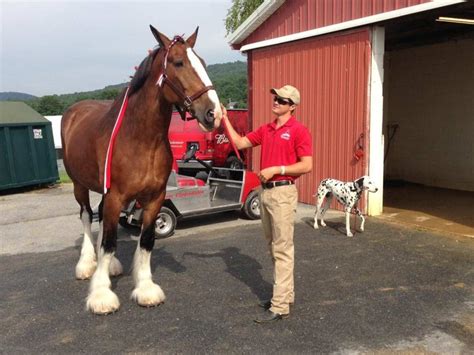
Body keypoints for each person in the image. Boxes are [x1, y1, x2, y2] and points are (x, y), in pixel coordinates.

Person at [221, 85, 313, 323]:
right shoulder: (267, 129)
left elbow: (306, 165)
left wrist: (277, 169)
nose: (276, 102)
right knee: (274, 247)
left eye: (281, 100)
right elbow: (240, 143)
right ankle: (284, 295)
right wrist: (225, 118)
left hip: (283, 192)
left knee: (283, 249)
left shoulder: (299, 131)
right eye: (275, 98)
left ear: (292, 106)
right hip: (266, 194)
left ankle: (280, 306)